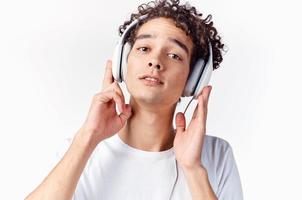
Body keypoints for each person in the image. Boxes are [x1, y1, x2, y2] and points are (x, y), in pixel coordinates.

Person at [25, 0, 243, 199]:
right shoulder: (80, 151)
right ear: (123, 63)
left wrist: (194, 170)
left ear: (193, 80)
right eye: (144, 48)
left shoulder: (216, 156)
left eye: (174, 55)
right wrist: (88, 137)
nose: (155, 61)